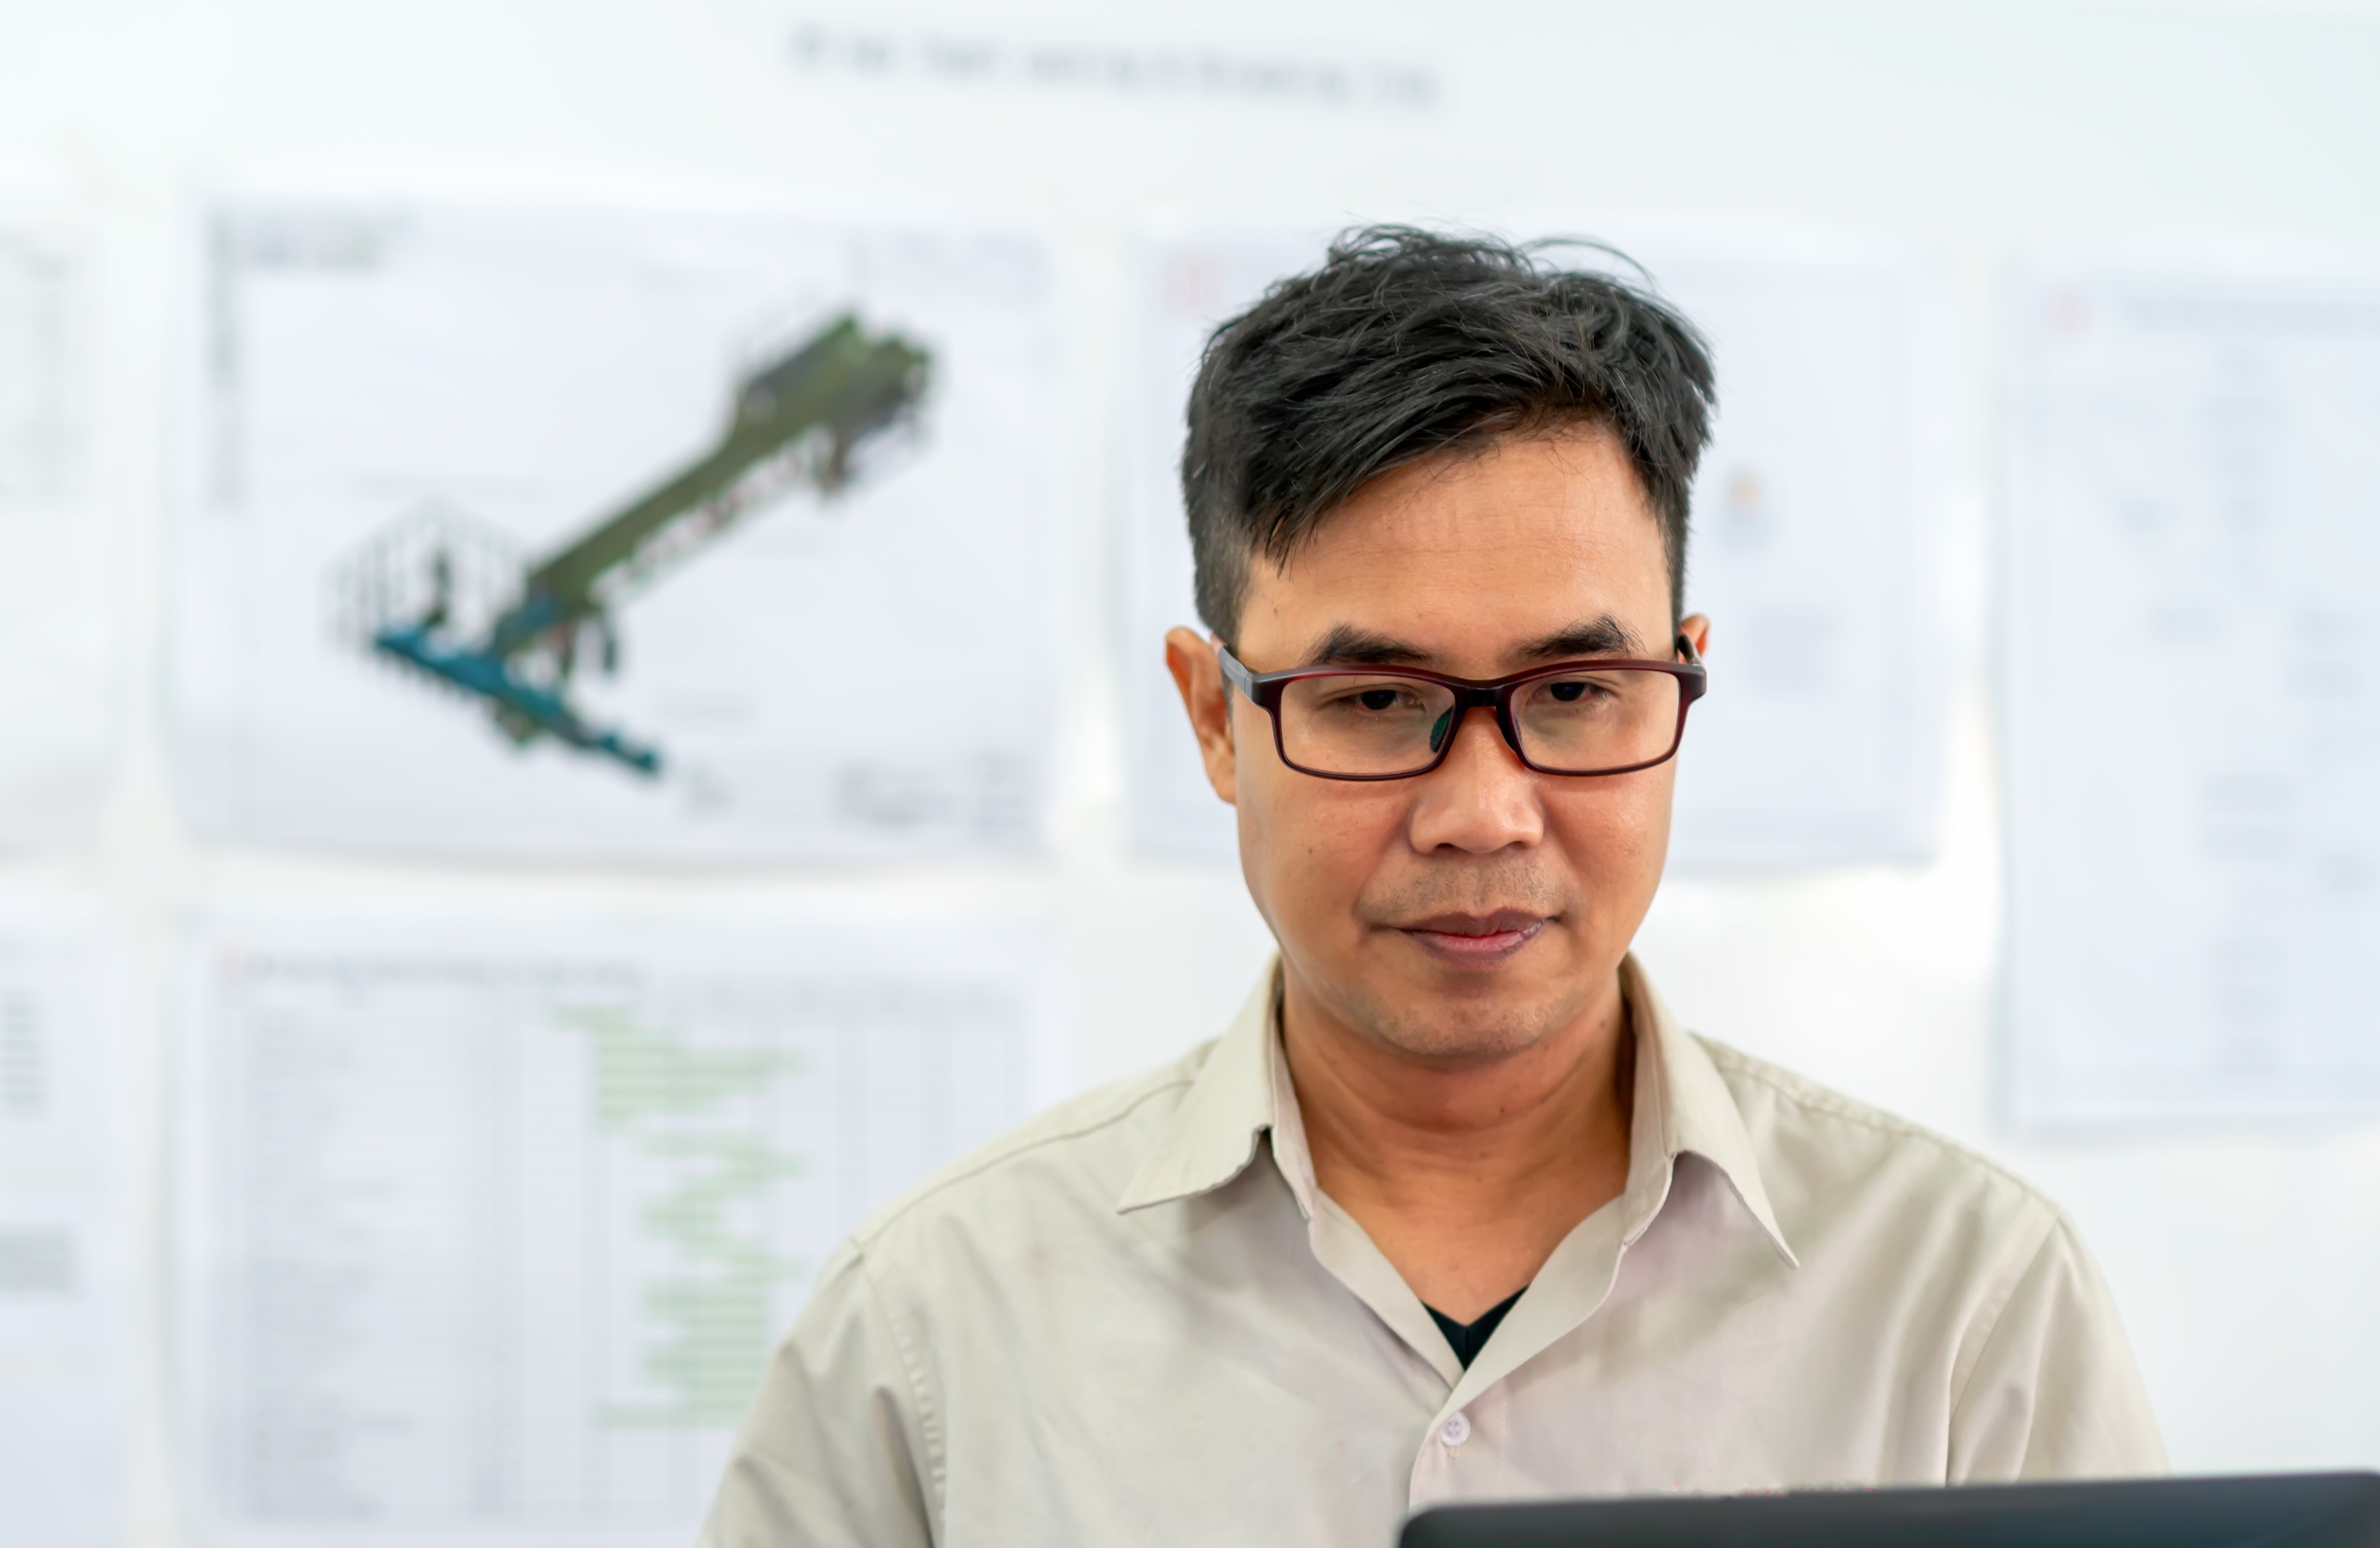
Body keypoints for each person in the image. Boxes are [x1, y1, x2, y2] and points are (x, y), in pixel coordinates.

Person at [700, 228, 2160, 1544]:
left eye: (1577, 687)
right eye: (1377, 699)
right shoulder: (937, 1319)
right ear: (1215, 716)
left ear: (1685, 674)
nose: (1481, 814)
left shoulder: (1965, 1297)